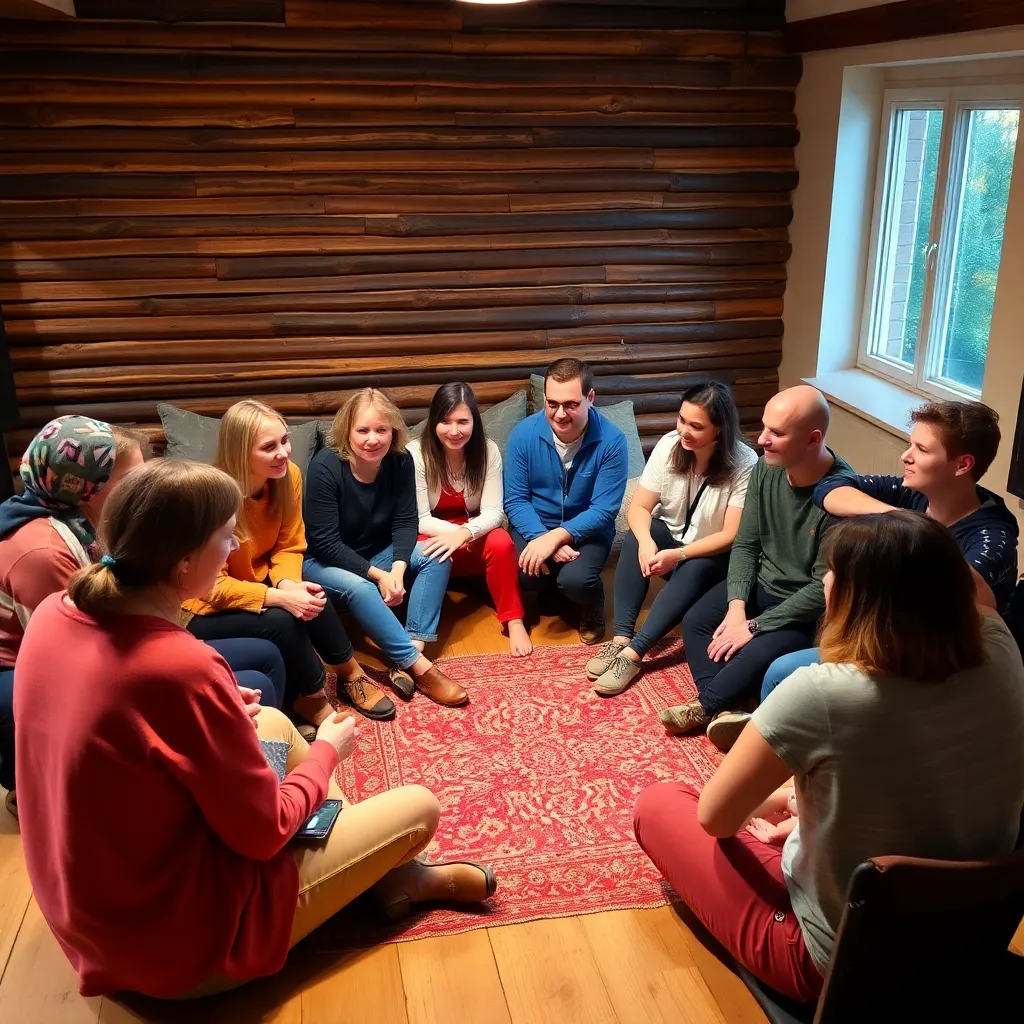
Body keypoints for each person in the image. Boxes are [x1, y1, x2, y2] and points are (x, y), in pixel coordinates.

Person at [14, 459, 496, 1000]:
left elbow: (130, 724)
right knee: (418, 806)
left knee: (271, 719)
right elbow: (262, 832)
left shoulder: (57, 610)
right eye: (226, 536)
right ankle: (391, 876)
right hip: (179, 946)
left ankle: (378, 874)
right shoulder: (179, 666)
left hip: (97, 909)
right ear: (183, 564)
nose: (236, 545)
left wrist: (212, 709)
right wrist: (326, 754)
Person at [633, 511, 1024, 1005]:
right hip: (973, 933)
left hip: (839, 968)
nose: (825, 580)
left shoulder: (822, 692)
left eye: (833, 571)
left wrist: (782, 804)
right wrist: (803, 811)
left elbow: (717, 818)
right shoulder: (1000, 643)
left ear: (862, 595)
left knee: (660, 804)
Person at [0, 416, 284, 821]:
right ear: (87, 488)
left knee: (265, 658)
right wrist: (196, 682)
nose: (146, 488)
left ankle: (243, 772)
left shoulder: (91, 527)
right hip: (25, 674)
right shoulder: (43, 551)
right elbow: (78, 663)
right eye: (132, 480)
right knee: (256, 683)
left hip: (110, 648)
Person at [759, 399, 1020, 702]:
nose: (906, 456)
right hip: (895, 638)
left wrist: (914, 533)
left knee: (783, 673)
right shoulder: (912, 496)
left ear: (963, 465)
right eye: (911, 445)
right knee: (787, 667)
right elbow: (829, 489)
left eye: (921, 450)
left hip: (943, 664)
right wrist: (899, 519)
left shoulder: (992, 536)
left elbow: (965, 600)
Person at [661, 386, 853, 752]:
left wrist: (753, 627)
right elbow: (746, 544)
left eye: (776, 433)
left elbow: (820, 589)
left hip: (800, 610)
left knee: (756, 652)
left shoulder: (842, 495)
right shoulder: (766, 468)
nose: (762, 440)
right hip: (760, 586)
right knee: (697, 622)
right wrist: (736, 608)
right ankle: (727, 708)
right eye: (764, 427)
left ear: (813, 439)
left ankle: (704, 706)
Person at [185, 400, 389, 723]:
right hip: (200, 606)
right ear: (240, 452)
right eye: (269, 447)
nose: (284, 452)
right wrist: (278, 597)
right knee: (282, 619)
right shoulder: (210, 498)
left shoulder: (287, 476)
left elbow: (290, 544)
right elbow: (211, 587)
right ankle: (313, 698)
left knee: (314, 595)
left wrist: (289, 585)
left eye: (285, 440)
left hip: (256, 582)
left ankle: (351, 674)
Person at [586, 381, 758, 695]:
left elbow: (731, 535)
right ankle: (621, 638)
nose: (683, 431)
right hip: (672, 540)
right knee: (641, 533)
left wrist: (678, 554)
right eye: (681, 420)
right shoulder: (669, 445)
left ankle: (634, 653)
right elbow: (639, 507)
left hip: (712, 557)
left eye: (696, 426)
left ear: (720, 429)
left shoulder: (745, 463)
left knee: (697, 563)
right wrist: (646, 542)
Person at [303, 388, 468, 707]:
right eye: (362, 430)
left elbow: (406, 521)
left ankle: (414, 646)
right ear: (347, 431)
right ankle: (420, 668)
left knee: (438, 555)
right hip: (322, 562)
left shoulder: (401, 460)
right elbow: (325, 543)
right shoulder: (326, 465)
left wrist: (398, 569)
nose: (372, 439)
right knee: (362, 587)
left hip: (378, 553)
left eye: (381, 430)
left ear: (393, 431)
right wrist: (380, 575)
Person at [503, 358, 628, 645]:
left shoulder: (613, 441)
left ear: (590, 397)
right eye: (552, 404)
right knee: (524, 575)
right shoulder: (523, 433)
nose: (560, 414)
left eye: (571, 404)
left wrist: (557, 537)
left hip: (588, 531)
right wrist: (543, 537)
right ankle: (555, 588)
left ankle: (592, 600)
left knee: (576, 581)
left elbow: (604, 510)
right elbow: (516, 499)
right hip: (536, 524)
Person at [409, 382, 532, 657]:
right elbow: (420, 519)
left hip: (471, 537)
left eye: (463, 421)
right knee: (430, 552)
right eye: (445, 421)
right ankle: (419, 633)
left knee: (501, 541)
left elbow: (494, 512)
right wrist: (456, 535)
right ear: (433, 421)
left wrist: (465, 534)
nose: (454, 431)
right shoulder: (416, 454)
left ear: (474, 421)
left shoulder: (488, 451)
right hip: (432, 538)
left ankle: (514, 620)